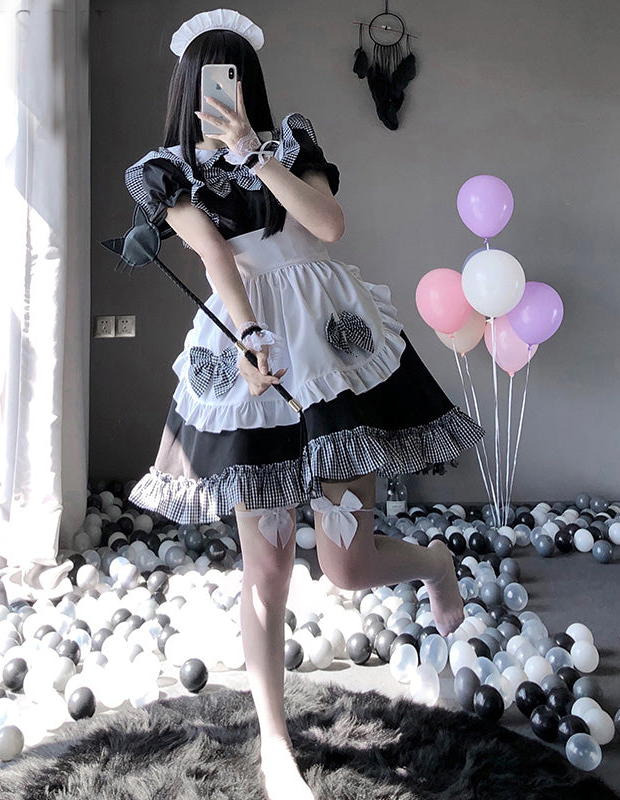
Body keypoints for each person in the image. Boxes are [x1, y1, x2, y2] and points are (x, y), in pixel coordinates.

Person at [121, 9, 485, 799]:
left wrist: (254, 152)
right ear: (188, 89)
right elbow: (214, 255)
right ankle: (275, 745)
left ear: (250, 84)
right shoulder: (166, 172)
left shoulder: (290, 142)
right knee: (269, 564)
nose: (224, 91)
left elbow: (327, 224)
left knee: (348, 567)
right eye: (211, 80)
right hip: (246, 343)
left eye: (235, 77)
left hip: (330, 341)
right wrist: (248, 335)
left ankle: (433, 564)